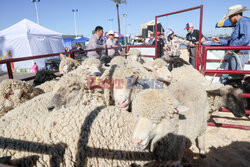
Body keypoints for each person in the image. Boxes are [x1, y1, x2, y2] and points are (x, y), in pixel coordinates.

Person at [212, 4, 250, 84]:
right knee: (226, 76)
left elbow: (245, 39)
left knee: (234, 79)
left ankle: (232, 94)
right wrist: (220, 41)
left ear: (236, 15)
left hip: (239, 55)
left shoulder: (244, 22)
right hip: (236, 54)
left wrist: (232, 48)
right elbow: (234, 41)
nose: (229, 19)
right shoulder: (240, 23)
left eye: (230, 17)